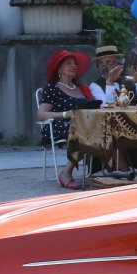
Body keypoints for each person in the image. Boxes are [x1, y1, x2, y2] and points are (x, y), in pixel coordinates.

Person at [37, 49, 93, 189]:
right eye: (68, 63)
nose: (73, 66)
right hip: (57, 126)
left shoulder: (82, 89)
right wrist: (65, 114)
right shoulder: (52, 88)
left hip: (85, 123)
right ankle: (66, 172)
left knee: (105, 126)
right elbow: (41, 114)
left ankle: (115, 170)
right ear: (59, 69)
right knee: (85, 129)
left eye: (74, 63)